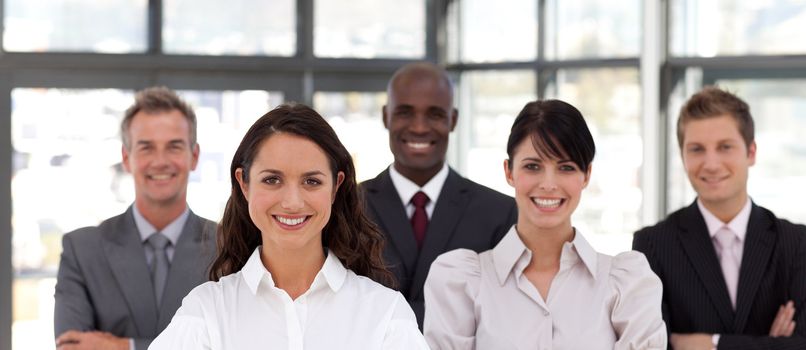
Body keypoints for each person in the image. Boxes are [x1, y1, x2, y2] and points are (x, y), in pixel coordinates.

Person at [149, 103, 429, 349]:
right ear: (244, 184)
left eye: (312, 181)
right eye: (272, 180)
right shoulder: (206, 312)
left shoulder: (385, 314)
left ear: (336, 187)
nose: (292, 202)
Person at [424, 99, 667, 349]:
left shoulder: (626, 285)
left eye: (566, 167)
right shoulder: (462, 282)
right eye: (533, 166)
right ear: (509, 172)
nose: (549, 184)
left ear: (586, 176)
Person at [633, 86, 806, 350]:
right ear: (683, 157)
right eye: (697, 149)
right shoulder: (652, 245)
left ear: (751, 153)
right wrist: (769, 345)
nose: (711, 163)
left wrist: (712, 343)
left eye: (725, 147)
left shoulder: (797, 243)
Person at [54, 86, 217, 350]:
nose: (160, 161)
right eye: (146, 148)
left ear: (194, 156)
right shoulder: (82, 251)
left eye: (174, 147)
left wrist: (123, 346)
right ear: (126, 158)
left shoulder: (230, 247)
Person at [361, 62, 517, 327]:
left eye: (434, 114)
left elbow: (506, 313)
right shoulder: (348, 205)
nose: (419, 127)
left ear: (453, 119)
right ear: (386, 116)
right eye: (405, 113)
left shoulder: (499, 213)